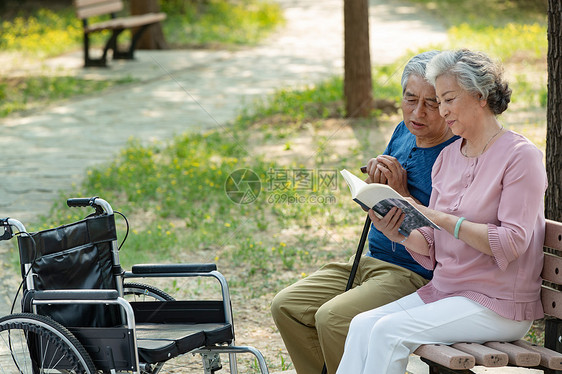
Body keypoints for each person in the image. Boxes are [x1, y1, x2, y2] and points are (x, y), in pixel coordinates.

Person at [336, 49, 547, 374]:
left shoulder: (520, 157)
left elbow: (511, 243)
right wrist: (400, 230)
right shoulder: (450, 157)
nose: (442, 110)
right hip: (447, 291)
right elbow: (435, 246)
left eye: (447, 99)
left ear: (479, 97)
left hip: (499, 304)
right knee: (363, 325)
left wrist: (442, 219)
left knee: (387, 332)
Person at [270, 50, 459, 374]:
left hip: (412, 274)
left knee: (332, 317)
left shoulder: (455, 154)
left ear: (446, 104)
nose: (418, 112)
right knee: (286, 306)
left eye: (431, 103)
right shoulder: (403, 131)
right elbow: (383, 197)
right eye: (410, 99)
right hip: (370, 260)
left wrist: (402, 195)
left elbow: (446, 233)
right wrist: (376, 184)